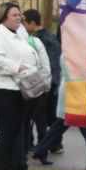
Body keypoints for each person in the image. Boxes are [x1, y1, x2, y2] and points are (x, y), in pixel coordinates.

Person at [0, 2, 43, 170]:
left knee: (17, 130)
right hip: (3, 88)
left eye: (19, 15)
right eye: (14, 15)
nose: (19, 18)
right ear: (4, 17)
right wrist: (18, 67)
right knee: (8, 131)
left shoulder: (19, 34)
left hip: (19, 87)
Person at [23, 10, 62, 157]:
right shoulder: (51, 37)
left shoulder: (35, 40)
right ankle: (56, 143)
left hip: (41, 80)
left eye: (25, 23)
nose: (24, 26)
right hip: (54, 79)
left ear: (32, 23)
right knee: (53, 114)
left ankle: (42, 143)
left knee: (39, 115)